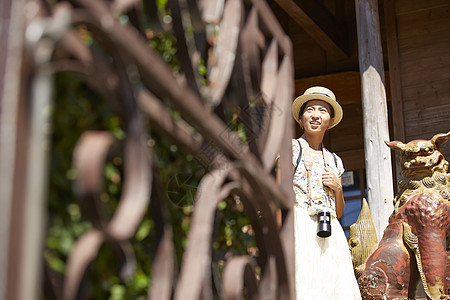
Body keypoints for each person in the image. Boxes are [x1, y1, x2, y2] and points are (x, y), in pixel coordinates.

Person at [291, 86, 361, 299]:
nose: (315, 115)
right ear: (301, 118)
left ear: (330, 121)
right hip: (299, 223)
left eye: (322, 111)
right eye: (310, 110)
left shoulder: (334, 160)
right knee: (303, 284)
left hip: (330, 230)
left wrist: (339, 189)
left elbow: (339, 212)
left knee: (334, 287)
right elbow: (278, 192)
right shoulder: (291, 148)